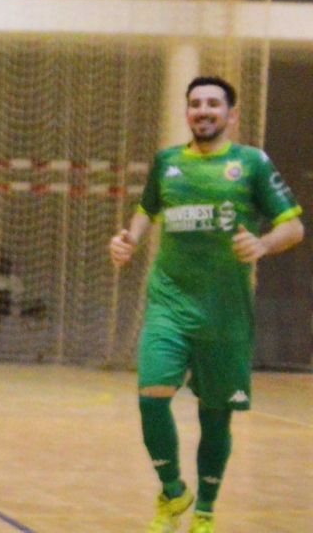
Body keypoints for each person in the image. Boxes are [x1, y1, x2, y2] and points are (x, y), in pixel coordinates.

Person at [108, 76, 303, 533]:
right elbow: (147, 210)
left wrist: (263, 244)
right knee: (152, 397)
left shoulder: (251, 163)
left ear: (231, 115)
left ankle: (205, 511)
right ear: (187, 113)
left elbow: (293, 227)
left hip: (225, 315)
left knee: (216, 418)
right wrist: (128, 240)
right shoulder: (167, 162)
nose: (203, 110)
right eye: (195, 103)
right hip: (169, 304)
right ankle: (174, 491)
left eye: (213, 104)